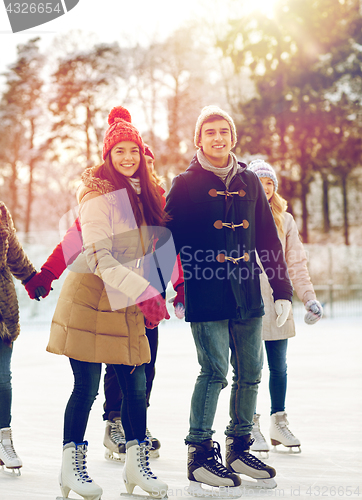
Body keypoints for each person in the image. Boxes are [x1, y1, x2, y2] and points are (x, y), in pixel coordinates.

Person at [25, 144, 183, 462]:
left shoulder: (157, 200)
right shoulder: (107, 200)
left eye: (148, 163)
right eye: (141, 161)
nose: (143, 167)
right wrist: (48, 272)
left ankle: (137, 424)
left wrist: (179, 285)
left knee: (145, 364)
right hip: (114, 292)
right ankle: (115, 422)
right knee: (116, 363)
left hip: (150, 293)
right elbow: (74, 238)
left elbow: (171, 246)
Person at [164, 105, 294, 494]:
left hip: (247, 293)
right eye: (210, 132)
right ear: (199, 139)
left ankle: (239, 447)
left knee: (251, 372)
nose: (218, 138)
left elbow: (268, 240)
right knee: (215, 371)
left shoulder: (251, 182)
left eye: (224, 131)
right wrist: (164, 290)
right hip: (206, 291)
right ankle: (200, 452)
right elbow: (166, 240)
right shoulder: (184, 183)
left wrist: (283, 289)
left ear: (232, 137)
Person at [45, 106, 169, 500]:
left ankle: (136, 466)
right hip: (90, 300)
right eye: (120, 152)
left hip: (125, 298)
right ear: (108, 156)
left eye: (134, 150)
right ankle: (71, 469)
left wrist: (164, 287)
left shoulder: (148, 194)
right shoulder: (97, 196)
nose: (128, 158)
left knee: (135, 385)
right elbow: (98, 256)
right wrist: (44, 275)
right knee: (86, 386)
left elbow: (158, 248)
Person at [247, 159, 323, 454]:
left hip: (278, 301)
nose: (265, 188)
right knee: (250, 368)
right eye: (259, 182)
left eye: (270, 183)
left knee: (278, 367)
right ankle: (249, 425)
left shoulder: (285, 220)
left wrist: (308, 297)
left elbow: (296, 263)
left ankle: (278, 422)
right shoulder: (240, 216)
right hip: (250, 302)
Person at [0, 202, 38, 475]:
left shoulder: (0, 211)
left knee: (2, 379)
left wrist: (34, 279)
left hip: (1, 310)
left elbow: (14, 254)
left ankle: (4, 441)